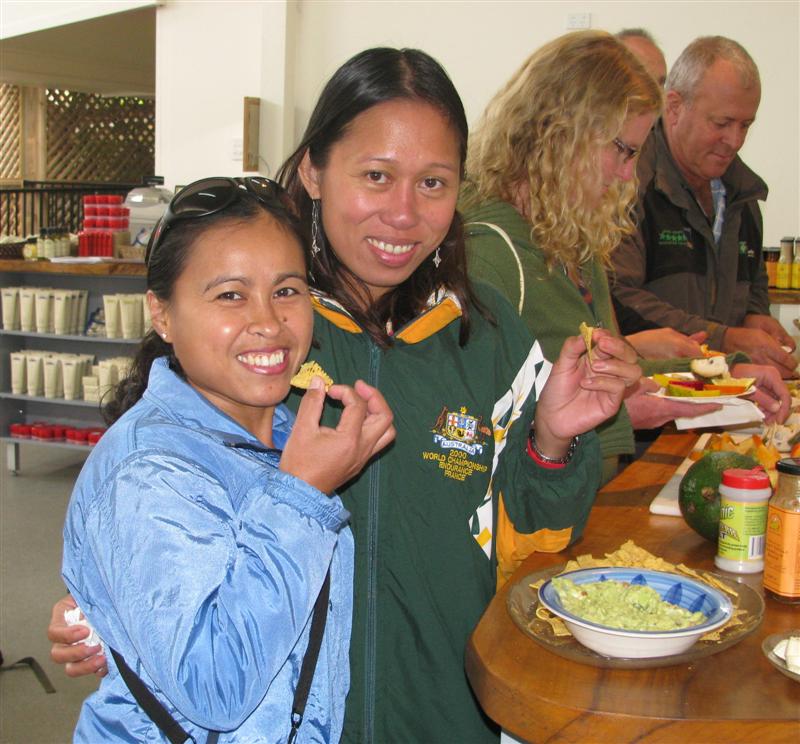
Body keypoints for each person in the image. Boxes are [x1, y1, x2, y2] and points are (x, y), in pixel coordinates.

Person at [50, 48, 642, 743]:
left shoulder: (486, 339)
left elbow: (537, 545)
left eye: (433, 183)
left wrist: (551, 440)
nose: (403, 213)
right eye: (375, 176)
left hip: (447, 713)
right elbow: (153, 499)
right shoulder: (262, 346)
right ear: (313, 169)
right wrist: (107, 605)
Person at [59, 176, 396, 741]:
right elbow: (214, 685)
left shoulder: (293, 435)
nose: (268, 321)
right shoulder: (145, 473)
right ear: (161, 314)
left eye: (287, 290)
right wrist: (304, 495)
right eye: (230, 295)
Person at [462, 31, 790, 484]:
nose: (628, 175)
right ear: (563, 132)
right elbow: (464, 432)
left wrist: (731, 376)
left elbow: (621, 378)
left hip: (578, 512)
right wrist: (619, 417)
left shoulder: (574, 242)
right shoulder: (488, 251)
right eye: (625, 151)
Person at [610, 35, 797, 378]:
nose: (735, 141)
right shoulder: (627, 184)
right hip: (651, 405)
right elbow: (616, 297)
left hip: (725, 399)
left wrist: (756, 318)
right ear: (675, 107)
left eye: (746, 125)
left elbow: (754, 285)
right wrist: (723, 338)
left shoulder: (744, 194)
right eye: (722, 124)